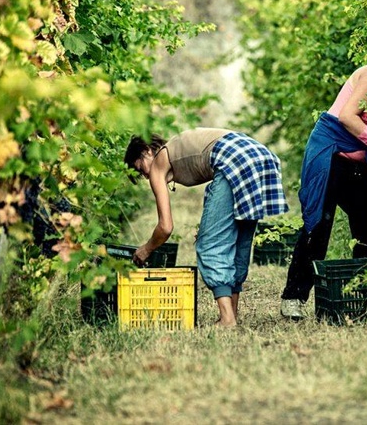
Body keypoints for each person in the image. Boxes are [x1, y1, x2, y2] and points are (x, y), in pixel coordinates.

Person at [280, 65, 367, 320]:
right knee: (319, 223)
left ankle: (364, 297)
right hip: (331, 152)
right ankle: (293, 297)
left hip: (360, 163)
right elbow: (347, 117)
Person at [124, 128, 289, 327]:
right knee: (237, 243)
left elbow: (165, 227)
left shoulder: (159, 162)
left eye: (141, 168)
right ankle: (232, 315)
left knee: (209, 245)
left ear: (147, 151)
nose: (145, 175)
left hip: (235, 160)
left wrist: (146, 249)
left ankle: (227, 319)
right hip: (258, 155)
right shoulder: (176, 149)